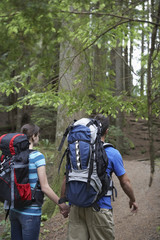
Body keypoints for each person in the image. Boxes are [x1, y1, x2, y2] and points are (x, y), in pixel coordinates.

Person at [61, 114, 138, 240]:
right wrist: (132, 199)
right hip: (100, 208)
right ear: (106, 131)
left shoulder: (77, 151)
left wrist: (63, 201)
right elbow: (125, 182)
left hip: (76, 207)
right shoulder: (112, 152)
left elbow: (66, 178)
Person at [9, 123, 70, 240]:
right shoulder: (38, 156)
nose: (39, 137)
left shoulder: (13, 155)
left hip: (14, 209)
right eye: (38, 135)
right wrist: (62, 205)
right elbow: (45, 187)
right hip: (31, 212)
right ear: (33, 136)